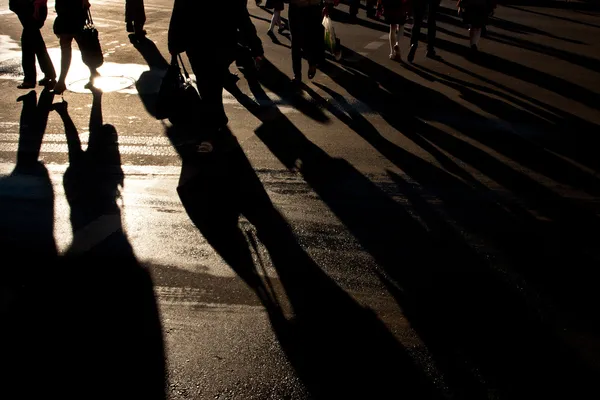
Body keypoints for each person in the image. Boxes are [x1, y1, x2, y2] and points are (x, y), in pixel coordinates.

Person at [168, 0, 263, 137]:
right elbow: (242, 18)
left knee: (206, 85)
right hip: (221, 42)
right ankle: (216, 121)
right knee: (214, 83)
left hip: (197, 44)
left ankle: (214, 124)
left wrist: (173, 43)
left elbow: (178, 13)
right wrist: (256, 47)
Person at [53, 0, 98, 94]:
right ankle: (93, 72)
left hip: (68, 16)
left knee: (67, 51)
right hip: (75, 16)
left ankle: (61, 81)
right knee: (83, 48)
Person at [9, 0, 57, 89]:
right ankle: (49, 74)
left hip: (32, 8)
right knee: (35, 43)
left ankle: (31, 79)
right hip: (33, 8)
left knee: (29, 44)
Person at [288, 0, 336, 83]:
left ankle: (306, 67)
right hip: (305, 8)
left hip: (307, 8)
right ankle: (303, 70)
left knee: (303, 41)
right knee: (302, 41)